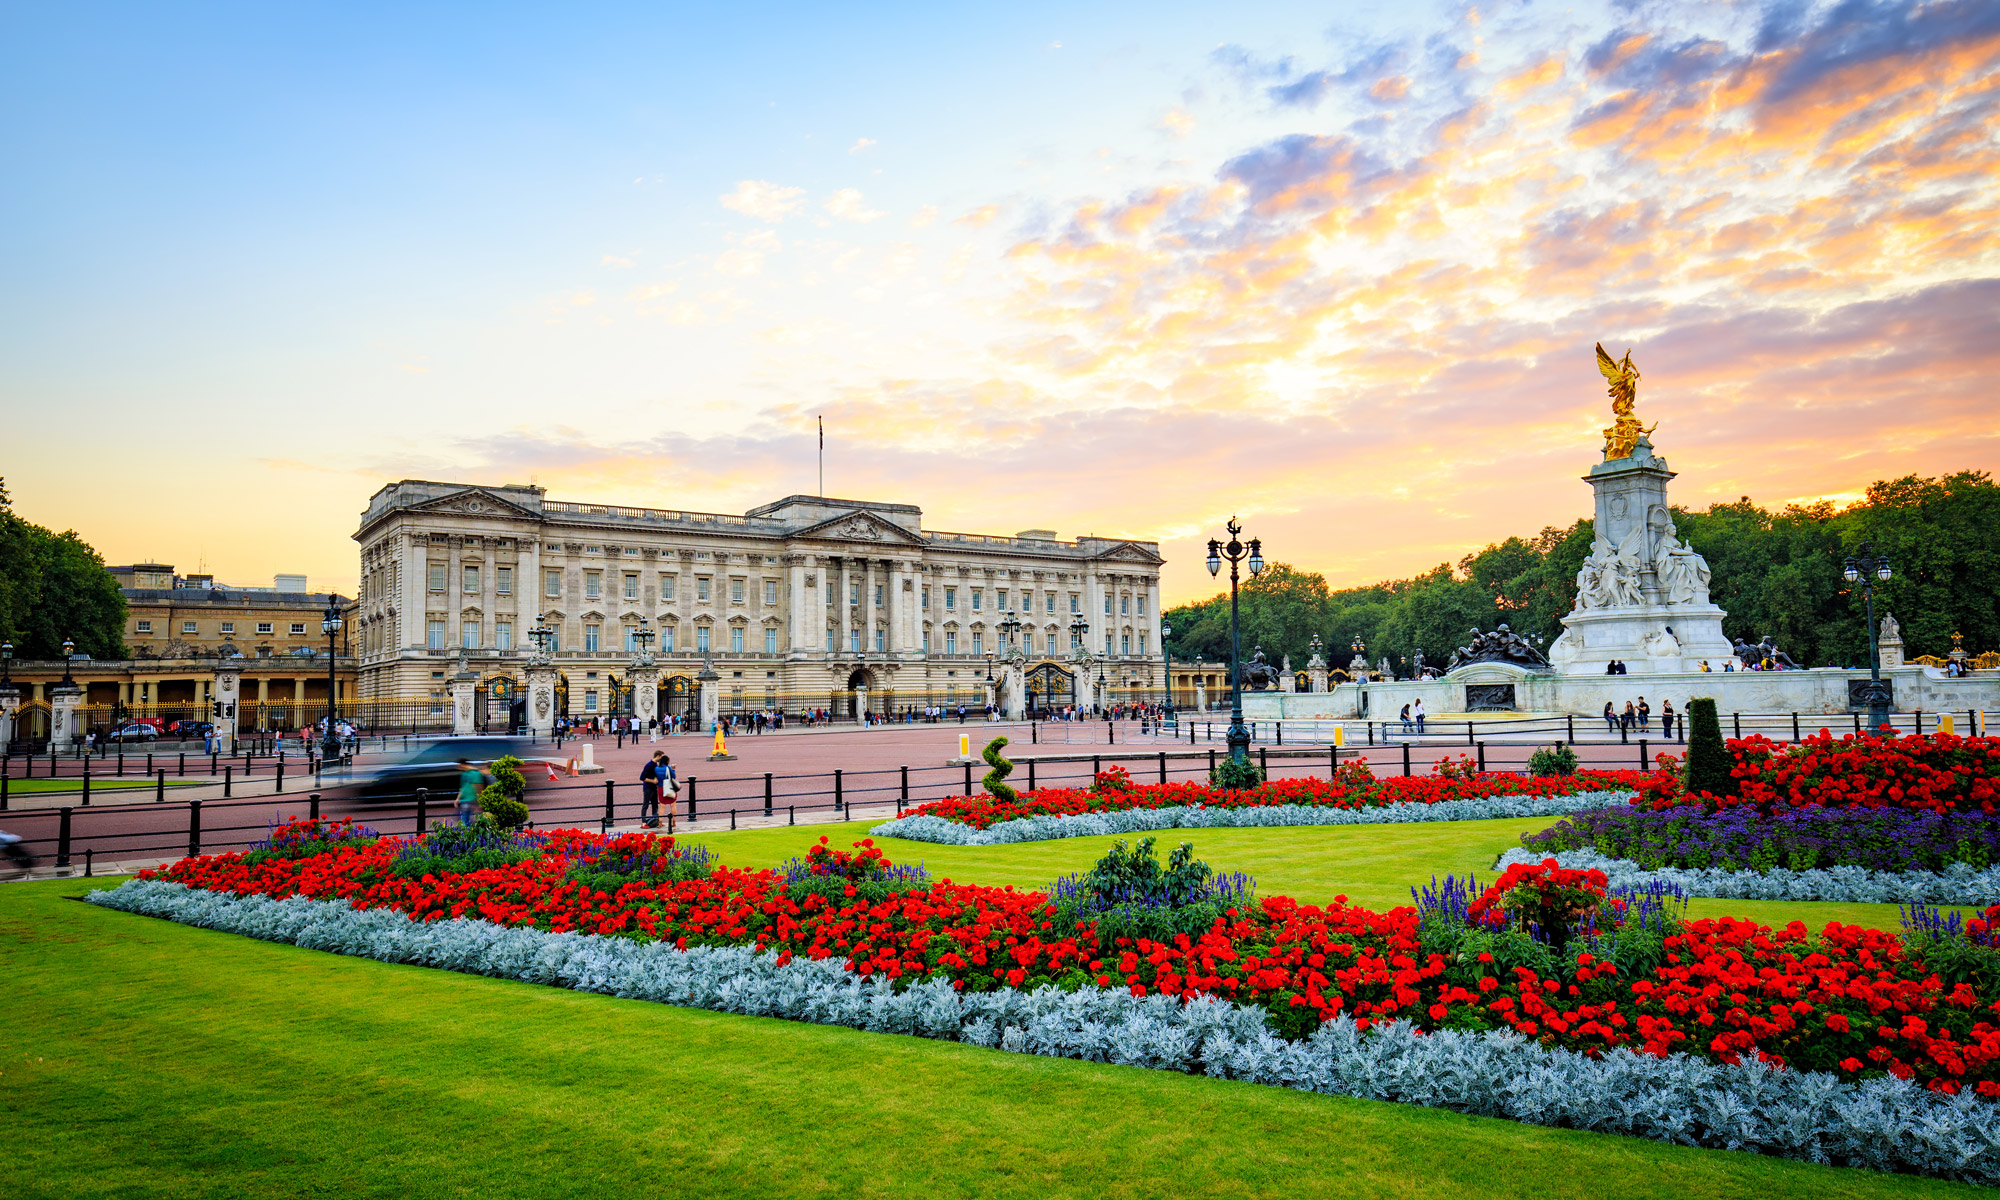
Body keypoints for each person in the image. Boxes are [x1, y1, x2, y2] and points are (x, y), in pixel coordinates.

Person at [455, 759, 484, 825]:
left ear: (464, 765)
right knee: (465, 819)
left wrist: (479, 800)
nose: (459, 768)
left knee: (465, 819)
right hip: (465, 799)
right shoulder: (465, 773)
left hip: (470, 799)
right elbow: (462, 787)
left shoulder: (475, 774)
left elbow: (478, 787)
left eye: (460, 766)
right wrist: (458, 799)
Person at [639, 751, 663, 828]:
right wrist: (653, 781)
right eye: (661, 757)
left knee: (655, 805)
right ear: (658, 756)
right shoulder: (648, 765)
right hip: (648, 788)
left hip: (654, 787)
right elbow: (642, 777)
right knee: (645, 805)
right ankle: (643, 822)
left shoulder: (656, 765)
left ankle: (655, 821)